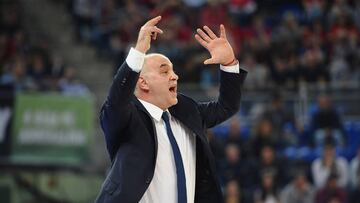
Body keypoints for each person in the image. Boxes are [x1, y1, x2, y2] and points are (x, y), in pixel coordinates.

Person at [95, 16, 247, 203]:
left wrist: (229, 63)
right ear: (143, 82)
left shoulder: (187, 111)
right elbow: (116, 101)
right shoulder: (127, 118)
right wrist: (138, 52)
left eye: (174, 71)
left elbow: (227, 106)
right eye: (164, 71)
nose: (174, 76)